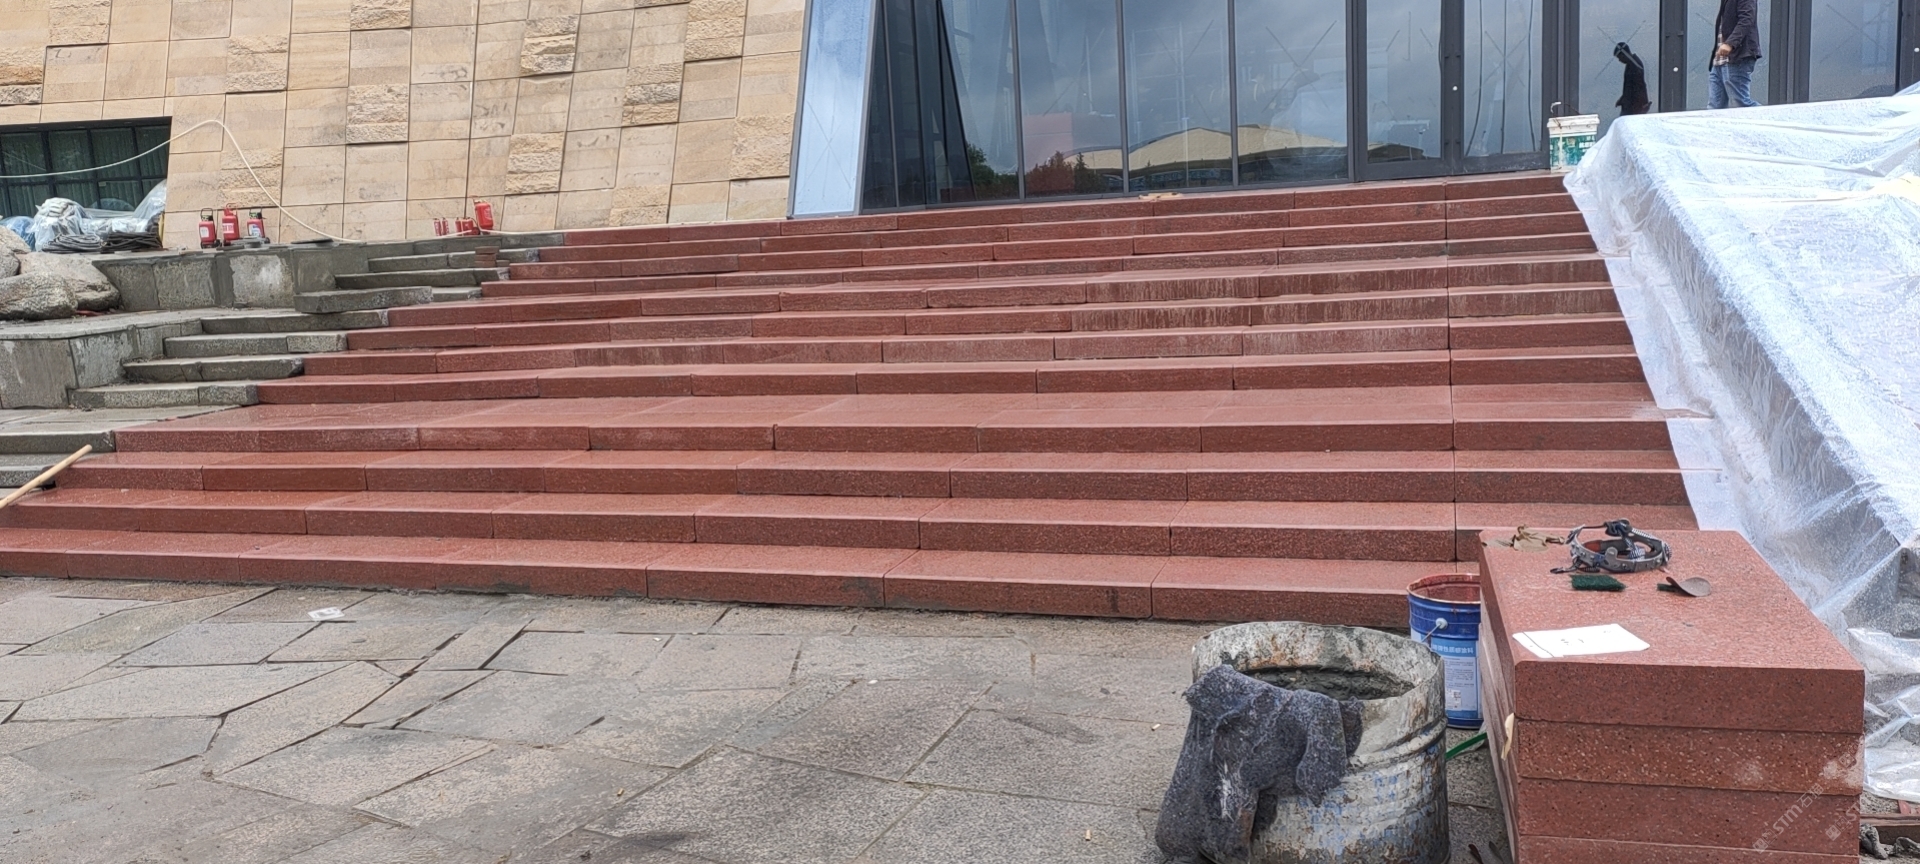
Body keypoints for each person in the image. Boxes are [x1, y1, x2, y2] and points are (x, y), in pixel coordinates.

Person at [1710, 0, 1762, 108]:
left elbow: (1747, 20)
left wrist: (1730, 43)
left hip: (1737, 56)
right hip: (1720, 59)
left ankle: (1777, 116)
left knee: (1741, 103)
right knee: (1715, 108)